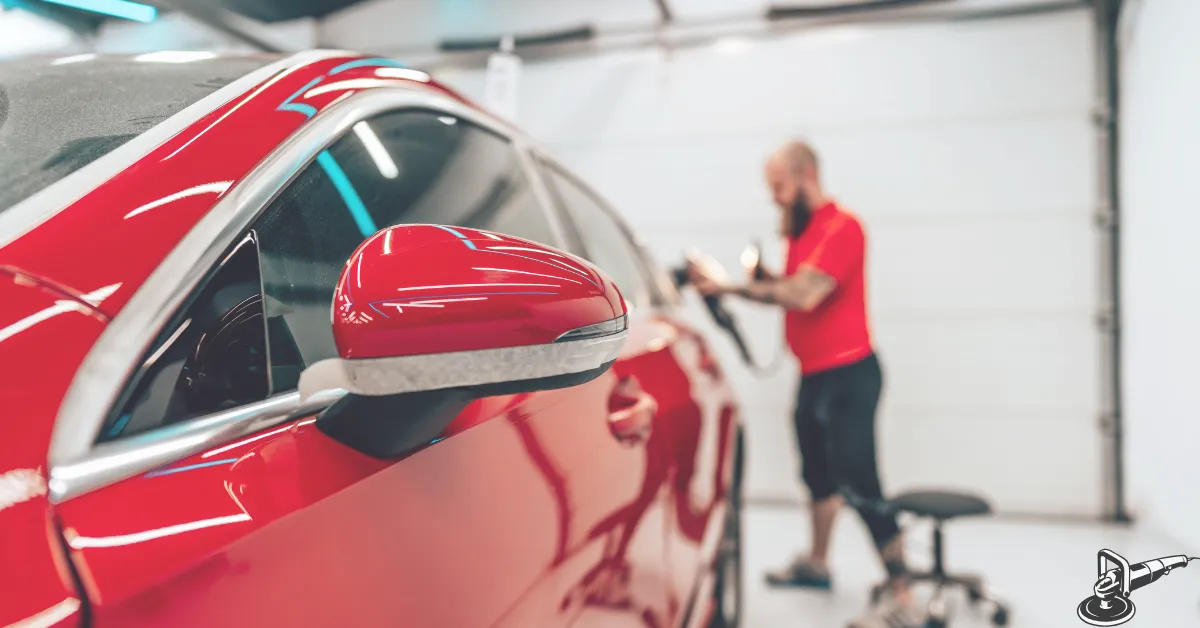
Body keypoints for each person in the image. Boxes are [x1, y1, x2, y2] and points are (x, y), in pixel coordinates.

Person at [687, 140, 922, 628]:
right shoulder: (803, 233)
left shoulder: (843, 226)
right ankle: (817, 565)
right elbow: (789, 288)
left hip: (849, 375)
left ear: (805, 176)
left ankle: (903, 593)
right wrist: (761, 278)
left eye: (778, 186)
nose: (773, 196)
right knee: (816, 475)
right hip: (813, 375)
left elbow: (804, 295)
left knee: (861, 480)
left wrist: (730, 286)